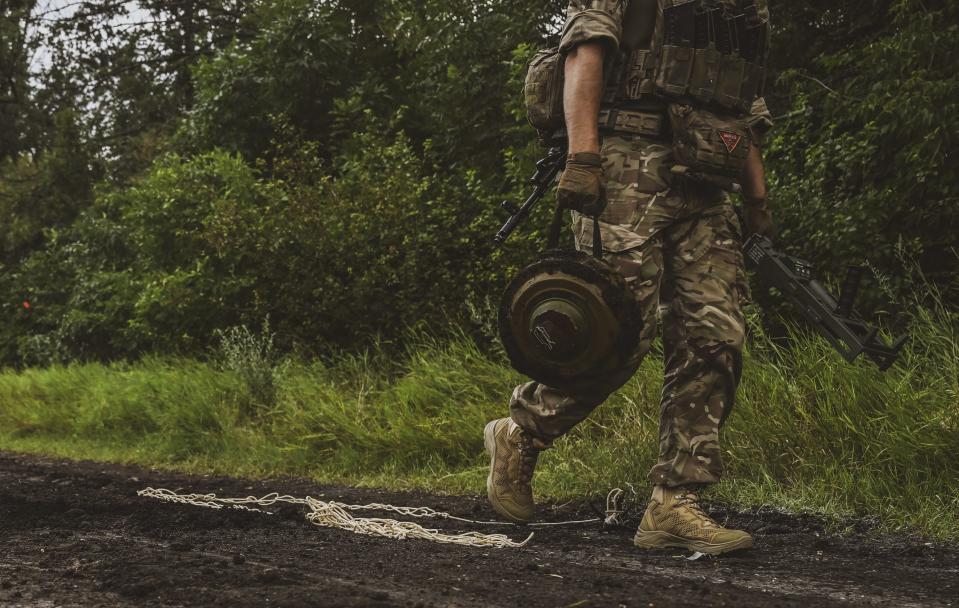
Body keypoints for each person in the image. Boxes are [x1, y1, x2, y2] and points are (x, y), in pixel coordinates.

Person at [485, 0, 776, 555]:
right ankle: (522, 432)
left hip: (706, 181)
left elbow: (742, 103)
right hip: (625, 165)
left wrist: (756, 195)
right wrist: (585, 158)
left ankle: (675, 503)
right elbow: (584, 53)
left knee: (716, 339)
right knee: (615, 335)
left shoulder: (733, 10)